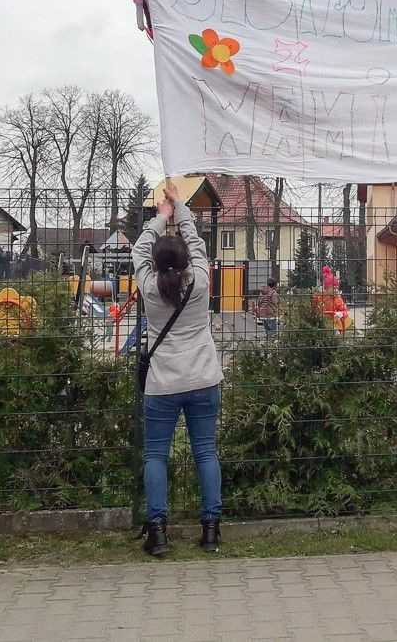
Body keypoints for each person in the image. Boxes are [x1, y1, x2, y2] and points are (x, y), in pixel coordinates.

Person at [132, 183, 223, 556]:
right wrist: (181, 209)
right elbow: (196, 240)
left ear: (154, 263)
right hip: (203, 378)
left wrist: (161, 217)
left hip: (163, 383)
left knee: (156, 455)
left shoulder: (149, 286)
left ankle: (158, 533)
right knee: (205, 451)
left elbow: (138, 249)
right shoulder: (200, 280)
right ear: (187, 259)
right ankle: (211, 530)